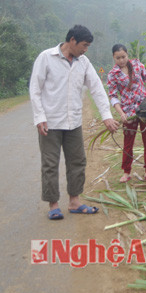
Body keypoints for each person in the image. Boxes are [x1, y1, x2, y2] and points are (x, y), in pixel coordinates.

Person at [29, 25, 119, 220]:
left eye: (88, 46)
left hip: (73, 122)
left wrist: (106, 115)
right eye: (84, 45)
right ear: (72, 41)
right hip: (50, 122)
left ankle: (74, 202)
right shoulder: (46, 58)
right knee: (50, 164)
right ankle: (53, 205)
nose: (85, 49)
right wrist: (39, 117)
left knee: (77, 161)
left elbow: (96, 88)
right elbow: (35, 89)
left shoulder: (84, 62)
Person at [107, 44, 146, 183]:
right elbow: (113, 95)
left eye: (123, 57)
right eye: (118, 58)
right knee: (128, 143)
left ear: (127, 55)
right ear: (113, 58)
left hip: (145, 110)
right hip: (128, 113)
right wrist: (121, 113)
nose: (121, 60)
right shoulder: (112, 74)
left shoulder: (137, 65)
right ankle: (126, 172)